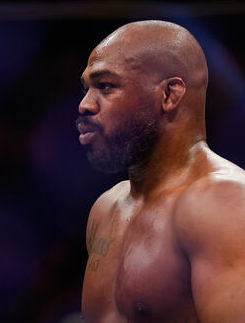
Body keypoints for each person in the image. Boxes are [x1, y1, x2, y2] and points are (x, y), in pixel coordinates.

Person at [75, 20, 245, 323]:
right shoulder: (107, 208)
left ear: (169, 95)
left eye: (105, 86)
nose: (85, 105)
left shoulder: (223, 205)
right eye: (86, 88)